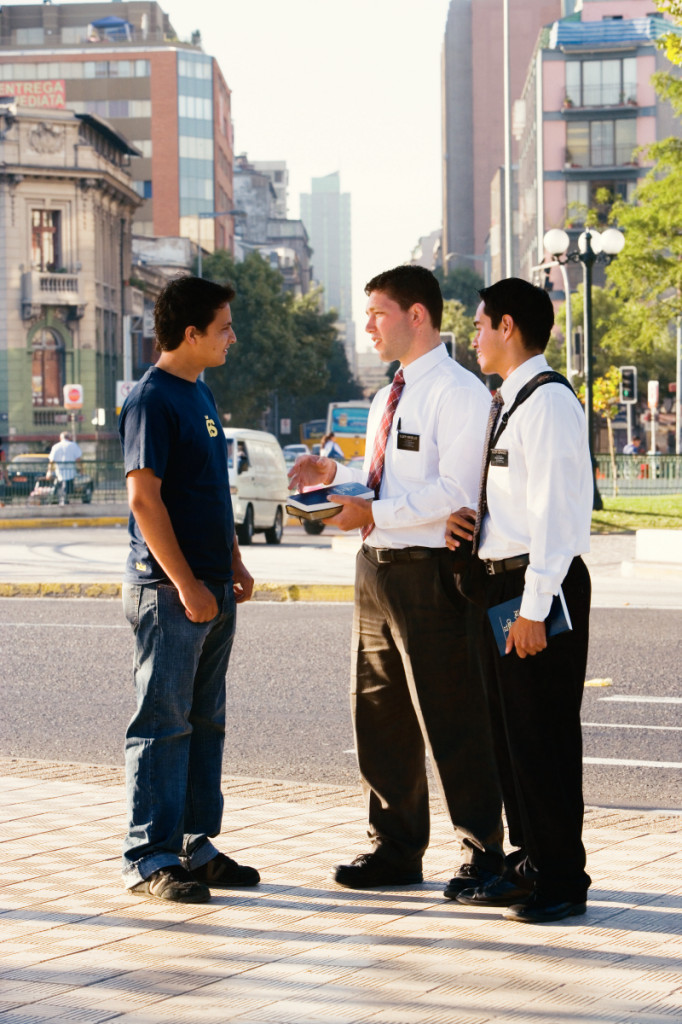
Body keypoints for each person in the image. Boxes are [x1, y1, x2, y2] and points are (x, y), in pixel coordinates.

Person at [289, 265, 504, 893]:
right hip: (375, 568)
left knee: (453, 714)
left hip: (430, 573)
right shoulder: (390, 394)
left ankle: (484, 850)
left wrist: (374, 511)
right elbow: (390, 475)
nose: (368, 327)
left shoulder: (459, 392)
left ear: (417, 315)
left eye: (377, 314)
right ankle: (394, 847)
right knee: (379, 714)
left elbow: (459, 493)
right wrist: (336, 476)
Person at [445, 277, 593, 924]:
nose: (473, 337)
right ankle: (530, 862)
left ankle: (563, 876)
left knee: (545, 738)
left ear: (508, 326)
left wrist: (535, 607)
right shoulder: (512, 400)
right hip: (504, 582)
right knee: (511, 738)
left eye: (479, 325)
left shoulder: (550, 402)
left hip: (539, 586)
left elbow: (560, 512)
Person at [118, 276, 258, 904]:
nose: (233, 335)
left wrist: (233, 563)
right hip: (168, 590)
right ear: (192, 332)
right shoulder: (151, 399)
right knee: (163, 721)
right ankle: (150, 856)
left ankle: (195, 844)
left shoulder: (199, 394)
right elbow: (144, 501)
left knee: (206, 720)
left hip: (210, 586)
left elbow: (212, 493)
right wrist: (185, 585)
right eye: (224, 326)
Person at [47, 431, 82, 505]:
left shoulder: (56, 446)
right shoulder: (73, 445)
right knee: (67, 487)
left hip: (60, 471)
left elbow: (51, 461)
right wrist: (81, 470)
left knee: (61, 485)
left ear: (60, 438)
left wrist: (49, 471)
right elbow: (78, 459)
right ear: (69, 438)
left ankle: (57, 499)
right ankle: (64, 499)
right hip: (71, 471)